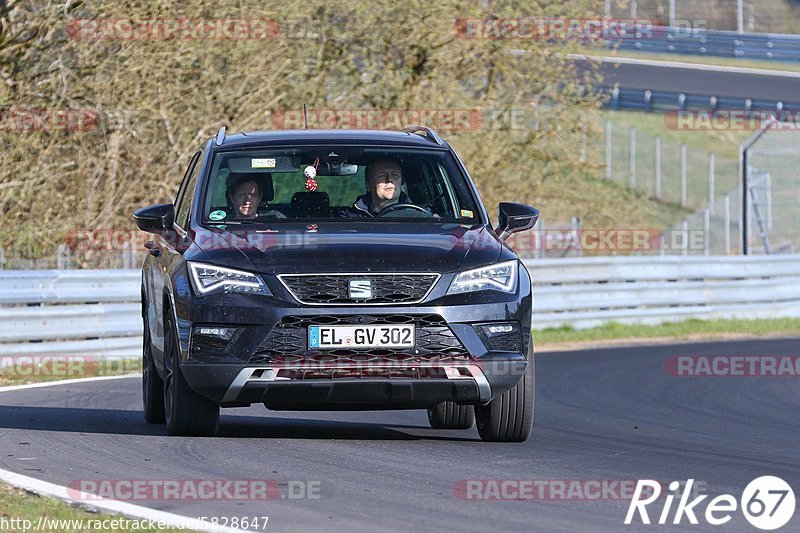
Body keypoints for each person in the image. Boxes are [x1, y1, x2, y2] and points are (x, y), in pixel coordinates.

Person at [347, 158, 431, 217]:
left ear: (402, 182)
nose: (389, 180)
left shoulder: (423, 216)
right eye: (382, 175)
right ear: (368, 185)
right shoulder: (350, 218)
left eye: (395, 175)